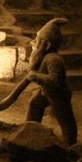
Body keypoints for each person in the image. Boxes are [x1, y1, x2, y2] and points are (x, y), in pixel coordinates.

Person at [25, 17, 78, 145]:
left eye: (38, 41)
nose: (33, 43)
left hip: (59, 94)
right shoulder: (44, 57)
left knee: (64, 116)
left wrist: (37, 77)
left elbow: (55, 80)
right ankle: (30, 130)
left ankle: (70, 140)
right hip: (47, 92)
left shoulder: (53, 59)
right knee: (35, 103)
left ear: (47, 45)